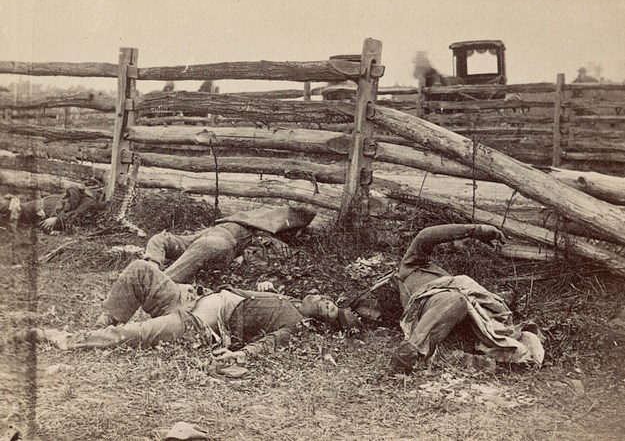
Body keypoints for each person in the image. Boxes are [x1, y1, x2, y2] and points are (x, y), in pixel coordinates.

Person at [17, 259, 340, 363]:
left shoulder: (296, 323)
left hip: (200, 324)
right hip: (188, 299)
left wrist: (239, 355)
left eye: (329, 307)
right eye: (327, 297)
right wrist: (262, 288)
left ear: (320, 321)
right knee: (142, 267)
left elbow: (271, 343)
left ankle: (63, 338)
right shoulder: (282, 298)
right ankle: (105, 320)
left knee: (138, 334)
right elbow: (234, 292)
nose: (325, 297)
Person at [345, 224, 545, 373]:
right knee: (455, 300)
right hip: (433, 303)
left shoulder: (438, 273)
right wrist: (474, 230)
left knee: (524, 338)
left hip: (463, 313)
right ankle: (409, 353)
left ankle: (500, 359)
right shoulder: (408, 269)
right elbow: (426, 236)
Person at [142, 205, 316, 283]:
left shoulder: (267, 238)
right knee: (160, 238)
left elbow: (267, 258)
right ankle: (152, 272)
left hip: (220, 243)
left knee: (204, 248)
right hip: (202, 236)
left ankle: (156, 284)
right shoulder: (248, 219)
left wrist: (242, 257)